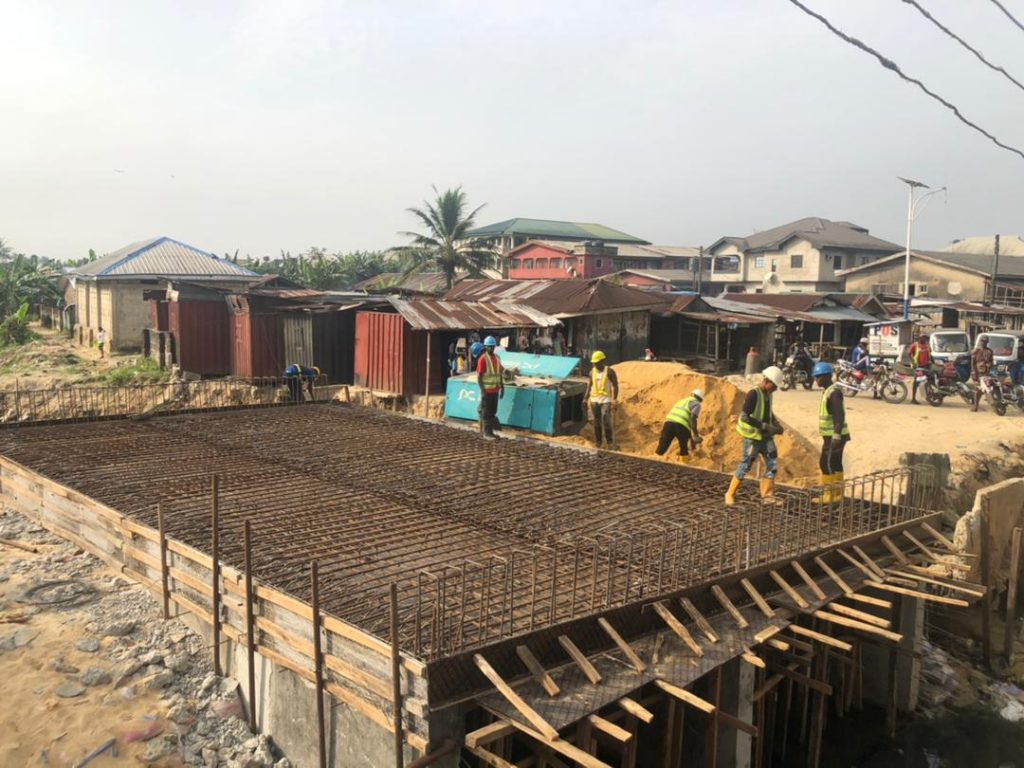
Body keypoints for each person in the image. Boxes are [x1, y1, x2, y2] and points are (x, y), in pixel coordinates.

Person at [725, 366, 785, 505]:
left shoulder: (768, 395)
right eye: (775, 386)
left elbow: (768, 412)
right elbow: (745, 417)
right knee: (746, 465)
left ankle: (767, 496)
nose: (776, 389)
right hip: (752, 437)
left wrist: (776, 424)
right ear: (767, 381)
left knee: (772, 464)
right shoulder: (753, 394)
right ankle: (730, 493)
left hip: (765, 437)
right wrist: (764, 426)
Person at [812, 362, 850, 503]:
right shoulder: (829, 391)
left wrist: (836, 434)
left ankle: (829, 495)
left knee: (825, 463)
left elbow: (838, 415)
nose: (816, 380)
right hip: (836, 435)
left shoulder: (833, 393)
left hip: (835, 436)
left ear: (827, 376)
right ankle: (838, 494)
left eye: (818, 377)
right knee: (835, 463)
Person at [655, 388, 703, 461]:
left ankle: (654, 461)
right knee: (684, 448)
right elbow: (693, 418)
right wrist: (695, 435)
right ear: (700, 399)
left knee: (663, 445)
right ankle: (684, 465)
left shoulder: (682, 401)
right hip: (681, 426)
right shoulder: (696, 404)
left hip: (668, 423)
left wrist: (691, 438)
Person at [585, 351, 619, 449]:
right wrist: (585, 398)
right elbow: (589, 385)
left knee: (606, 420)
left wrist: (614, 399)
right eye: (594, 363)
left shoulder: (610, 372)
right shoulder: (592, 372)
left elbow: (615, 385)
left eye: (597, 362)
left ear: (602, 361)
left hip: (606, 400)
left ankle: (609, 442)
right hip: (594, 400)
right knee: (596, 421)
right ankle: (598, 442)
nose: (595, 364)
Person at [477, 336, 504, 438]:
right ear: (485, 347)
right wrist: (483, 391)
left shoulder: (497, 358)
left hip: (495, 390)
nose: (491, 349)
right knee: (486, 412)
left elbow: (499, 373)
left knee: (493, 412)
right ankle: (486, 433)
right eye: (489, 347)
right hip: (487, 391)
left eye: (493, 347)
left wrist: (502, 387)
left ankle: (490, 432)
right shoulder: (482, 359)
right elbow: (479, 377)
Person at [970, 335, 994, 412]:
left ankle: (993, 405)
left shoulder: (989, 351)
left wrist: (989, 365)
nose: (983, 343)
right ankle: (976, 405)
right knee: (977, 389)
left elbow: (991, 361)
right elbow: (973, 363)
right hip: (977, 372)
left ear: (987, 342)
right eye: (982, 341)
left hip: (986, 373)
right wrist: (973, 373)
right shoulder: (976, 351)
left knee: (987, 389)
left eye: (985, 342)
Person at [907, 334, 932, 404]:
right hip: (918, 367)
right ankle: (913, 399)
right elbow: (909, 353)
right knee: (916, 383)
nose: (924, 339)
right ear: (919, 338)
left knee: (927, 381)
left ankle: (928, 397)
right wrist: (913, 362)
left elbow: (930, 354)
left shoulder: (927, 346)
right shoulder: (915, 345)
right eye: (923, 338)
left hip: (926, 366)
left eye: (925, 338)